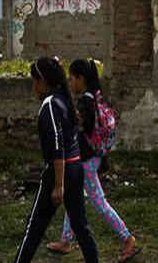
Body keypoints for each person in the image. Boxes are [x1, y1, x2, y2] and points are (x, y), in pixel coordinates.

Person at [46, 59, 139, 262]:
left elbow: (79, 129)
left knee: (99, 202)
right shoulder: (95, 98)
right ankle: (66, 240)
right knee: (73, 197)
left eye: (72, 78)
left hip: (86, 161)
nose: (71, 82)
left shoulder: (85, 103)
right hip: (93, 157)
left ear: (81, 79)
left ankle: (127, 238)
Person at [14, 57, 99, 263]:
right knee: (80, 226)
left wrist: (59, 184)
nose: (34, 87)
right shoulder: (64, 100)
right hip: (75, 167)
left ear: (44, 81)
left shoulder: (51, 104)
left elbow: (57, 144)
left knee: (34, 228)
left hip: (59, 172)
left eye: (35, 81)